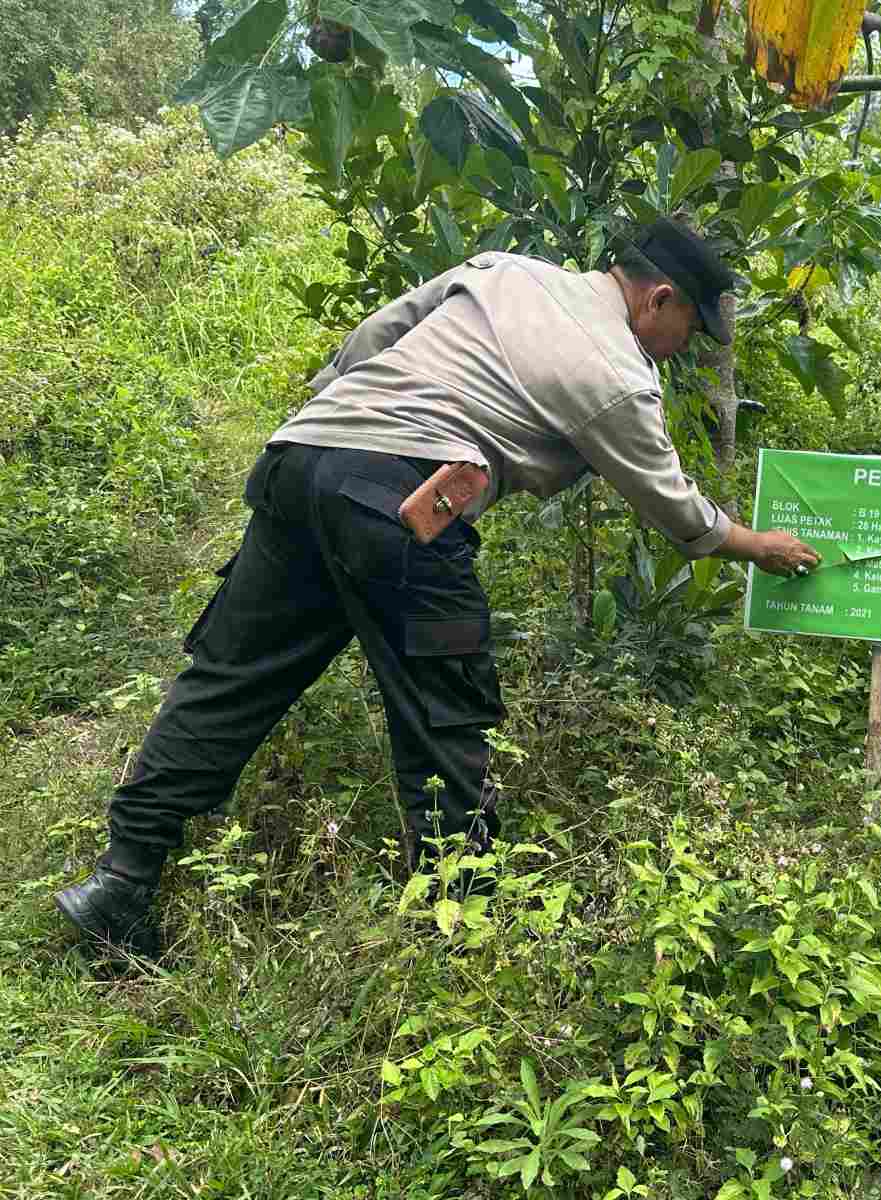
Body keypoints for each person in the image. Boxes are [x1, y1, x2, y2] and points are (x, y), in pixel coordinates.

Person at [56, 219, 821, 958]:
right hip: (397, 497)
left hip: (302, 457)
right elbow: (671, 503)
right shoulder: (615, 373)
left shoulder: (506, 270)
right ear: (659, 299)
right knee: (448, 716)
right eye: (689, 329)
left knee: (232, 678)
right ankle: (461, 938)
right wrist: (755, 545)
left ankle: (120, 880)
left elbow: (374, 337)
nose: (684, 349)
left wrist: (336, 419)